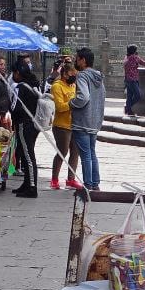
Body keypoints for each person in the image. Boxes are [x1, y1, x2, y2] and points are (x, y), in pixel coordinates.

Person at [69, 47, 105, 191]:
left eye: (77, 59)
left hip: (82, 121)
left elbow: (83, 97)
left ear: (83, 60)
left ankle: (88, 185)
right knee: (91, 152)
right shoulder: (98, 77)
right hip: (94, 121)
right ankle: (95, 183)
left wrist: (72, 102)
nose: (75, 61)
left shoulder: (83, 76)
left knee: (85, 155)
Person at [11, 60, 42, 198]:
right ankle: (26, 183)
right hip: (34, 124)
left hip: (24, 123)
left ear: (18, 73)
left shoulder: (21, 87)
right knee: (25, 153)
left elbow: (15, 108)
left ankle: (32, 187)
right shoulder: (35, 84)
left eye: (14, 72)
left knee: (28, 156)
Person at [49, 57, 80, 190]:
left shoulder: (73, 85)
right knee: (63, 151)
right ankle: (54, 178)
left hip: (74, 123)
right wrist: (73, 103)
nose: (73, 77)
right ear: (64, 74)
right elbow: (60, 107)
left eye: (75, 74)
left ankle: (71, 179)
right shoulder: (57, 86)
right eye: (71, 74)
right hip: (62, 125)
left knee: (75, 152)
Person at [123, 44, 145, 118]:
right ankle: (128, 108)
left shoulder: (126, 57)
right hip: (133, 79)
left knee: (129, 96)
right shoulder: (134, 57)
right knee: (137, 95)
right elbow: (143, 63)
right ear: (133, 51)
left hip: (127, 79)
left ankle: (129, 110)